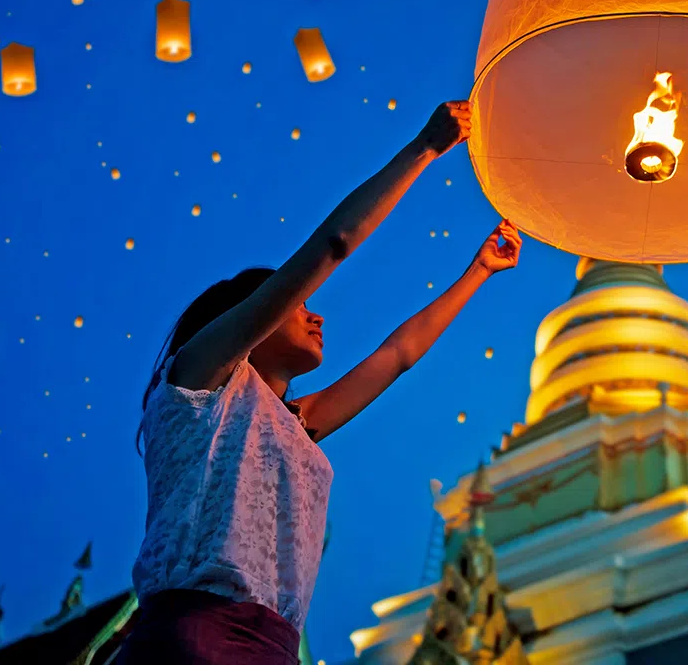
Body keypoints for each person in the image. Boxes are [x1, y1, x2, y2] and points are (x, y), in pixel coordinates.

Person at [121, 102, 522, 665]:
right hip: (198, 637)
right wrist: (425, 148)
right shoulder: (200, 381)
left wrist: (478, 271)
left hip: (274, 647)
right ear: (252, 318)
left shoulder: (293, 424)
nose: (317, 317)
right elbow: (335, 242)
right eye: (299, 303)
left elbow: (398, 355)